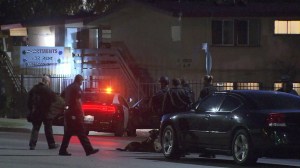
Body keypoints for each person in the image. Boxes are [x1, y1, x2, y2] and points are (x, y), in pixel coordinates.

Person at [59, 74, 99, 156]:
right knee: (81, 132)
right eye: (82, 81)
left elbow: (62, 95)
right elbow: (77, 101)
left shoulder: (69, 87)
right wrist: (79, 113)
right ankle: (89, 150)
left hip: (69, 113)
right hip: (75, 113)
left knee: (68, 133)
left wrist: (66, 105)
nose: (82, 82)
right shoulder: (76, 88)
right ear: (80, 80)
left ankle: (62, 150)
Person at [27, 75, 59, 150]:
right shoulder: (48, 90)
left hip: (36, 112)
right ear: (47, 82)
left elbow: (29, 100)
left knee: (35, 128)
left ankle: (32, 145)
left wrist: (31, 109)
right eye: (49, 82)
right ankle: (51, 144)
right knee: (48, 129)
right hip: (46, 112)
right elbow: (55, 99)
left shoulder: (34, 88)